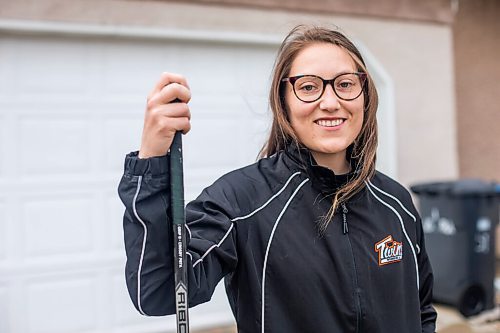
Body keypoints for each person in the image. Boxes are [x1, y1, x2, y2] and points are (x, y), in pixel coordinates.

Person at [118, 25, 437, 332]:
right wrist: (152, 160)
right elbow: (158, 290)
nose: (330, 102)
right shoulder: (242, 201)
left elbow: (421, 309)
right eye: (309, 86)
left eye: (345, 84)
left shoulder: (397, 202)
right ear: (283, 101)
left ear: (365, 95)